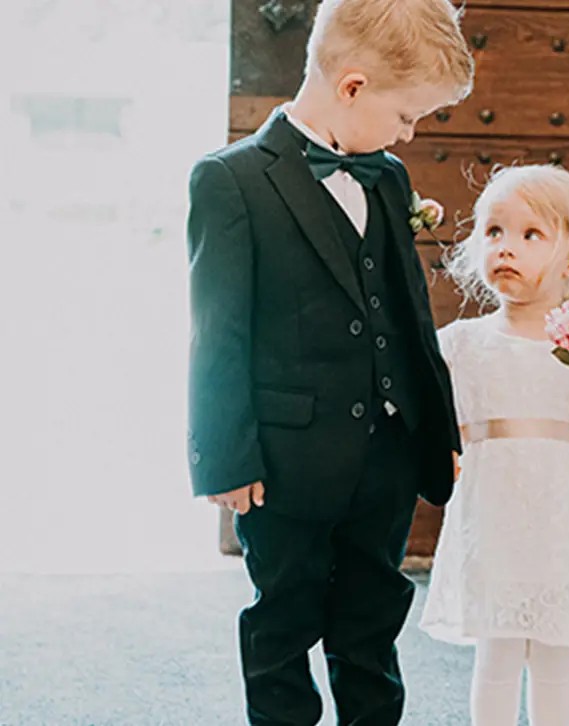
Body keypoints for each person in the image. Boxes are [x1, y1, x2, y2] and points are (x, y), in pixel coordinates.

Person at [185, 1, 474, 722]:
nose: (410, 134)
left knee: (374, 620)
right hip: (284, 463)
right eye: (408, 116)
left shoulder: (387, 178)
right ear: (352, 87)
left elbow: (408, 313)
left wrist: (436, 430)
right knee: (283, 620)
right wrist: (224, 458)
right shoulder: (230, 180)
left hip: (386, 457)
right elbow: (217, 334)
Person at [421, 165, 569, 725]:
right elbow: (430, 418)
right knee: (497, 650)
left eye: (529, 234)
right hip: (492, 512)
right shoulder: (462, 343)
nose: (505, 248)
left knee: (552, 651)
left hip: (561, 513)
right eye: (493, 232)